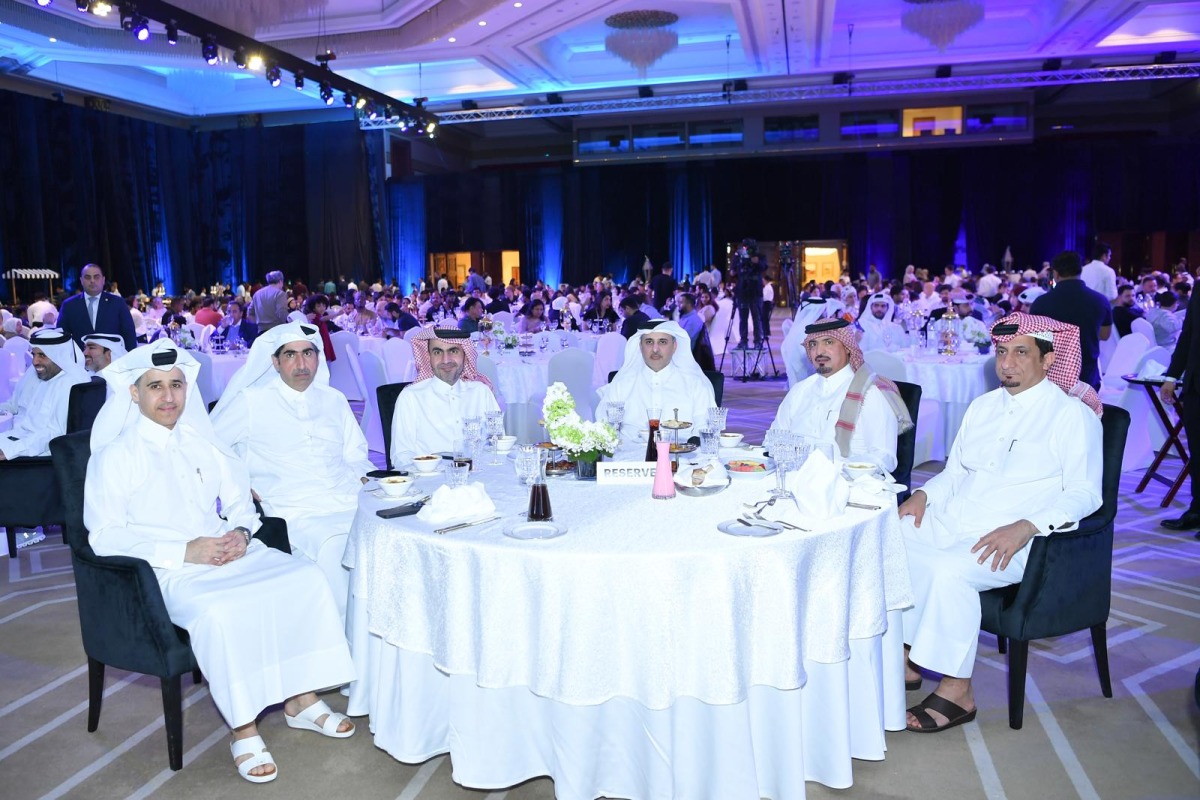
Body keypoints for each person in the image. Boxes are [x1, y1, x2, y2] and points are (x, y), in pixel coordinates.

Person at [85, 340, 356, 783]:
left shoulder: (201, 441)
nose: (169, 397)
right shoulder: (116, 456)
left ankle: (301, 699)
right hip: (166, 571)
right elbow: (105, 535)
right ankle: (243, 728)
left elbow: (240, 501)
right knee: (223, 612)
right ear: (134, 393)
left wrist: (241, 533)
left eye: (176, 385)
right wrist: (186, 551)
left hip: (228, 552)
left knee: (306, 578)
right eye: (155, 387)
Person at [898, 313, 1103, 733]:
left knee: (946, 571)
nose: (1007, 363)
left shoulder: (1070, 415)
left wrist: (1027, 525)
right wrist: (922, 495)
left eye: (1021, 353)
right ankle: (906, 661)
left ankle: (958, 691)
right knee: (888, 539)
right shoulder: (983, 406)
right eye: (1002, 352)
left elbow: (1086, 494)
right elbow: (955, 472)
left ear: (1048, 359)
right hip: (956, 517)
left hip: (1017, 539)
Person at [211, 324, 372, 620]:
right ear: (275, 362)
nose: (301, 364)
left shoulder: (333, 399)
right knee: (337, 547)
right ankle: (344, 641)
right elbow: (209, 447)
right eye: (291, 355)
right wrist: (238, 484)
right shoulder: (251, 401)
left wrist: (366, 478)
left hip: (346, 499)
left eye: (308, 353)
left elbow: (356, 455)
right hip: (293, 509)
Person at [769, 318, 912, 472]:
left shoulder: (870, 393)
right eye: (813, 344)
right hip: (794, 478)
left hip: (852, 485)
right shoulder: (800, 391)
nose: (819, 351)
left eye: (828, 342)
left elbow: (884, 458)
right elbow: (773, 439)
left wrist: (834, 469)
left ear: (847, 347)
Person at [595, 321, 716, 455]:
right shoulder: (622, 384)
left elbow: (705, 429)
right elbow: (604, 425)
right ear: (640, 346)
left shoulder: (695, 384)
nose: (655, 349)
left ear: (674, 346)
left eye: (663, 342)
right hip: (627, 459)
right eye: (649, 342)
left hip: (683, 459)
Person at [389, 329, 501, 466]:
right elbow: (401, 456)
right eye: (437, 352)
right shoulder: (411, 397)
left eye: (453, 351)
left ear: (465, 355)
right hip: (430, 481)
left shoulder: (481, 392)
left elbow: (498, 444)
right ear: (428, 356)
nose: (446, 360)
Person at [0, 328, 91, 462]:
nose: (34, 362)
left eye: (42, 355)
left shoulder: (70, 384)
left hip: (38, 456)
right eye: (34, 354)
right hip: (20, 439)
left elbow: (55, 433)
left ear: (58, 356)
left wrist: (9, 450)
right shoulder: (46, 378)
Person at [1029, 251, 1112, 390]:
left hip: (1051, 378)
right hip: (1087, 378)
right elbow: (1105, 335)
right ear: (1080, 270)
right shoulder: (1100, 300)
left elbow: (1033, 340)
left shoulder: (1040, 303)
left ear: (1055, 273)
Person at [59, 263, 137, 353]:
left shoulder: (117, 303)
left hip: (113, 361)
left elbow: (129, 334)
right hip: (80, 362)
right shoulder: (69, 305)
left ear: (103, 280)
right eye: (87, 277)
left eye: (96, 277)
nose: (92, 281)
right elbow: (62, 337)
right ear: (81, 280)